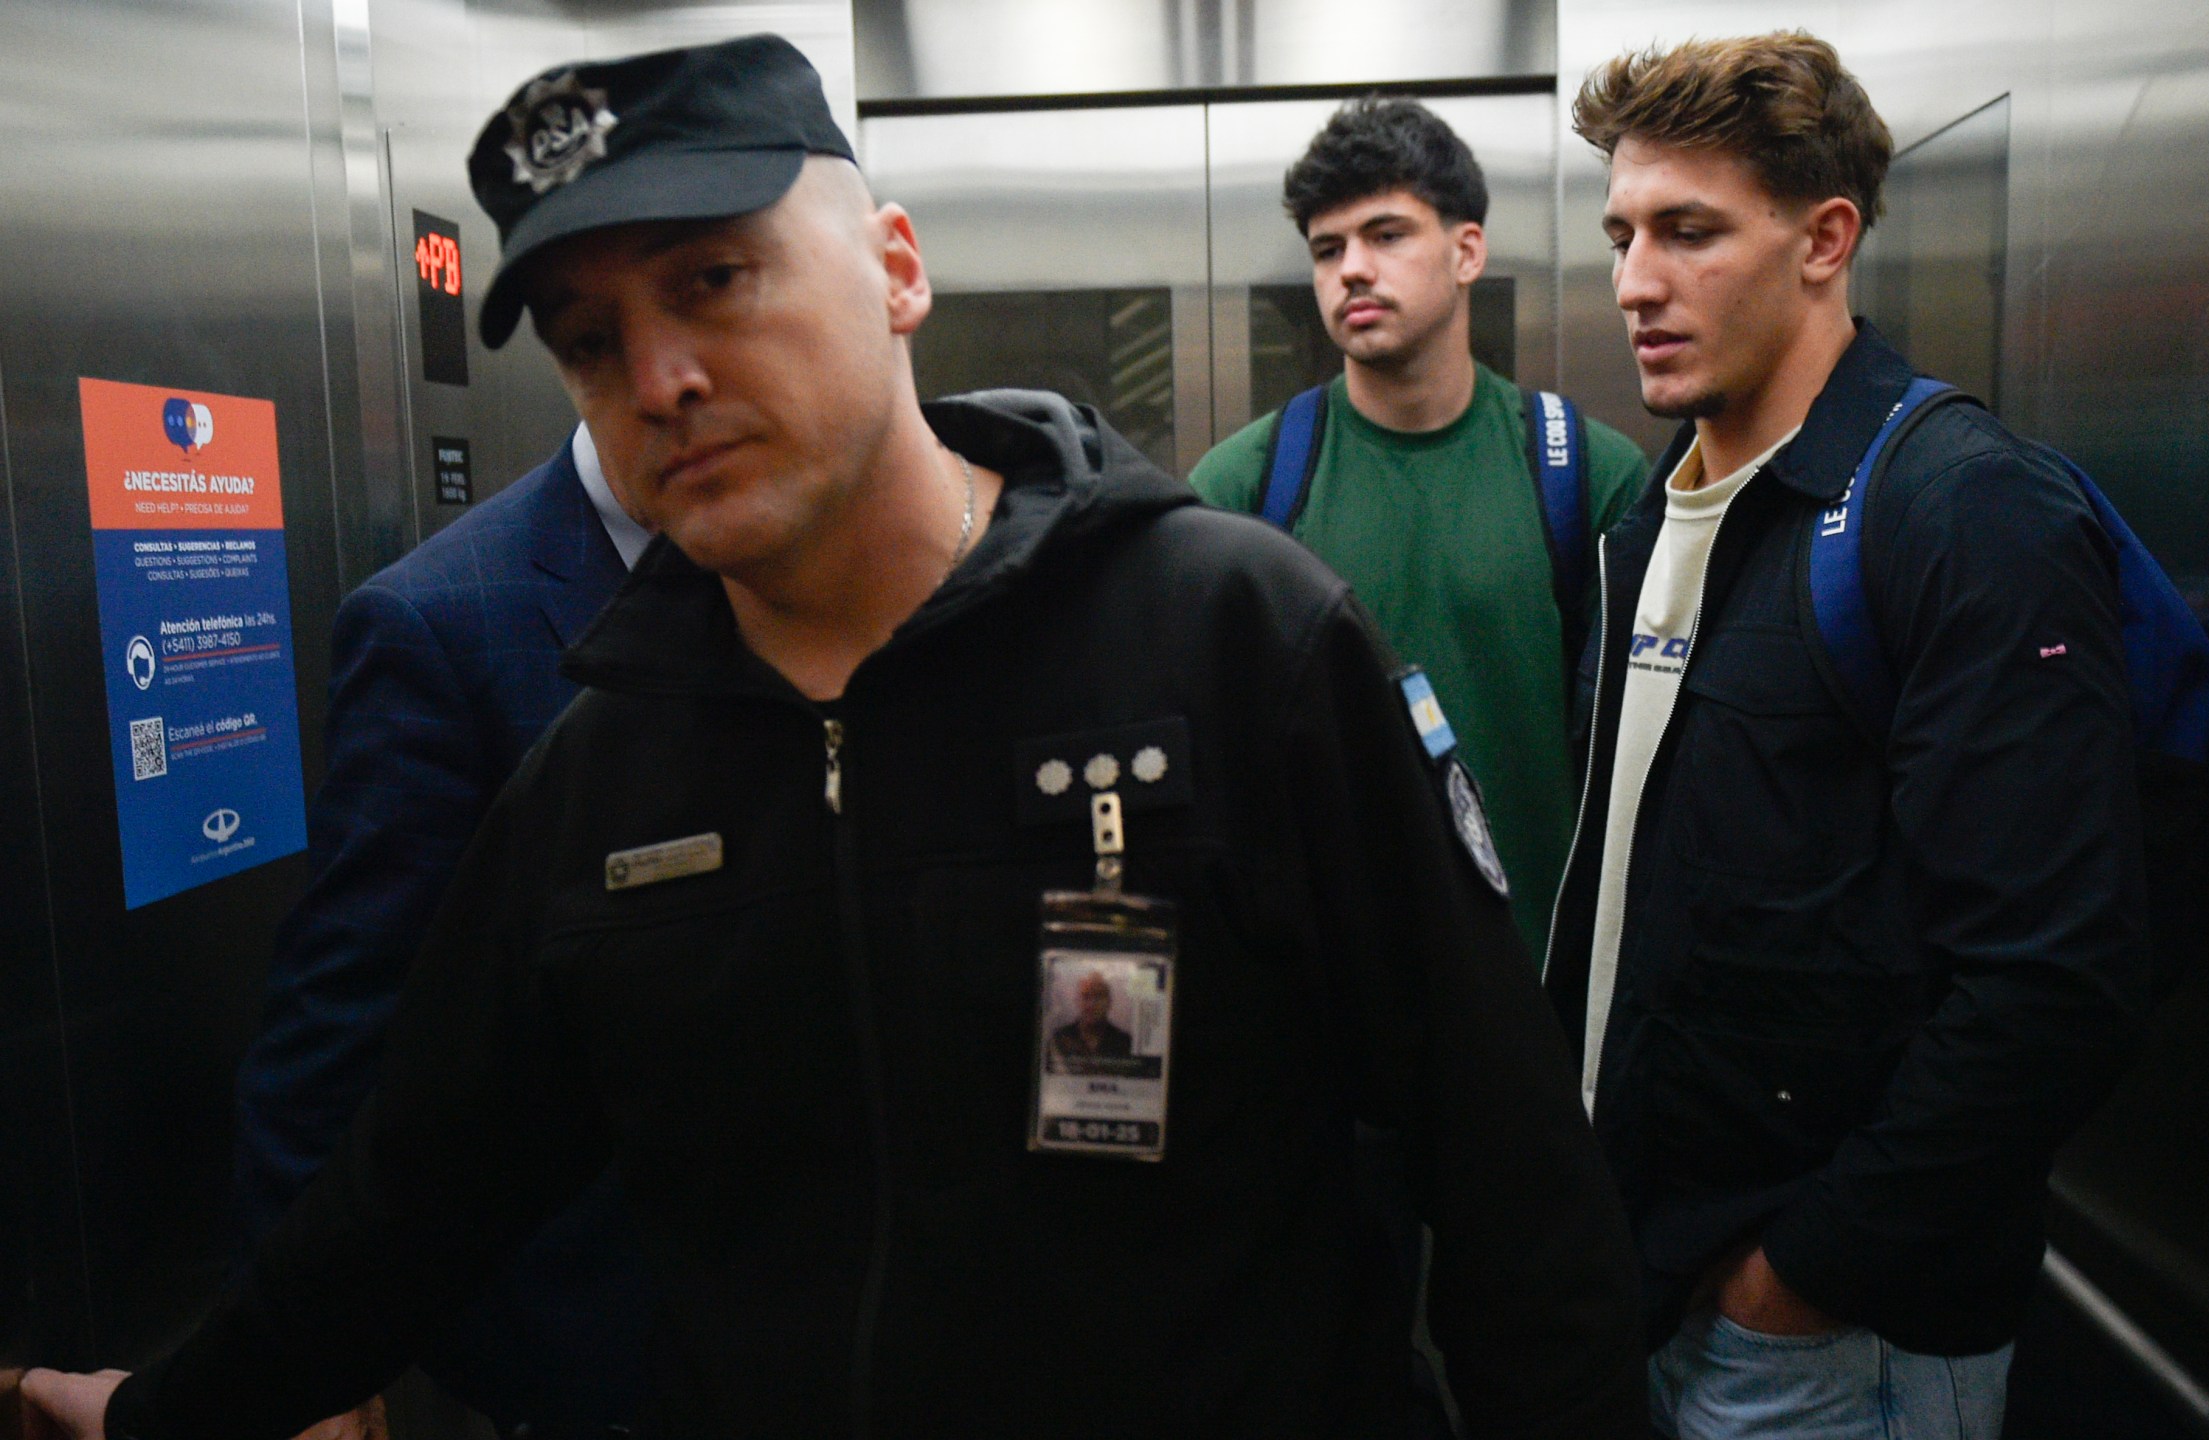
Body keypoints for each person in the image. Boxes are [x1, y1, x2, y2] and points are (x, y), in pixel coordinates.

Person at [24, 33, 1645, 1440]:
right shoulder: (607, 772)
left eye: (713, 281)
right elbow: (413, 1194)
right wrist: (172, 1413)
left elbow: (1511, 1189)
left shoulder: (1233, 640)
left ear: (895, 266)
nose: (656, 376)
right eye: (592, 341)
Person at [1542, 34, 2152, 1440]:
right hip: (1662, 1287)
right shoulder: (1657, 523)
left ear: (1826, 239)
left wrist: (1802, 1274)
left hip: (1832, 1345)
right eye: (1623, 233)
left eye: (1691, 232)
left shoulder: (1960, 511)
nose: (1636, 282)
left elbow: (2053, 979)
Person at [229, 420, 654, 1440]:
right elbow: (340, 1022)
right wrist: (305, 1364)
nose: (673, 374)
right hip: (604, 1348)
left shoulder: (828, 570)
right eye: (602, 335)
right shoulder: (443, 620)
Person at [1189, 97, 1652, 957]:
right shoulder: (1244, 487)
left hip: (1539, 981)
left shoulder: (1588, 476)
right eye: (1328, 250)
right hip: (1331, 999)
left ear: (1467, 249)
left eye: (1387, 235)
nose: (1351, 270)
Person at [1049, 971, 1134, 1062]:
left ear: (1109, 1002)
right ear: (1077, 1000)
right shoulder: (1059, 1039)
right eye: (1086, 996)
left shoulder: (1125, 1043)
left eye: (1098, 997)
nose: (1091, 1004)